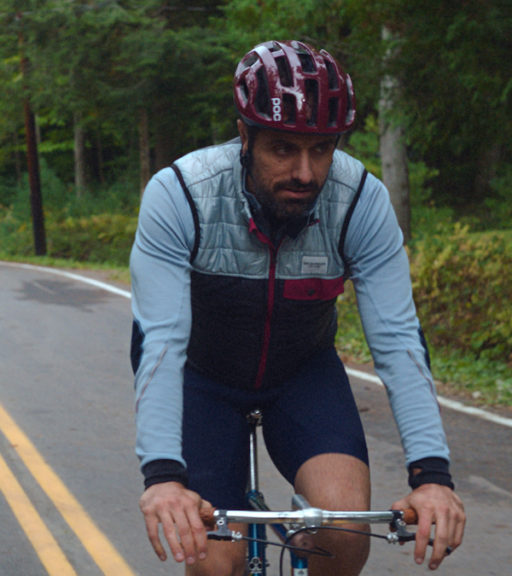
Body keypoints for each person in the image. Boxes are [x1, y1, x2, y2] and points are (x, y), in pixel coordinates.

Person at [129, 40, 466, 575]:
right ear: (245, 137)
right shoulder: (181, 196)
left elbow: (399, 341)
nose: (306, 173)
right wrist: (164, 479)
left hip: (301, 375)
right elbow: (160, 343)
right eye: (283, 148)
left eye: (321, 149)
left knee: (344, 534)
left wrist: (432, 479)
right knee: (215, 562)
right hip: (204, 380)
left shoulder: (360, 201)